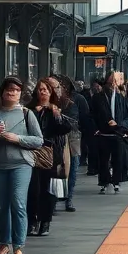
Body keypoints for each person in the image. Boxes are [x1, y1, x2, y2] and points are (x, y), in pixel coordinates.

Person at [0, 76, 44, 254]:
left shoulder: (27, 114)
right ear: (2, 91)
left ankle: (19, 246)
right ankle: (4, 244)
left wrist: (17, 139)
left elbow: (39, 140)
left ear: (21, 93)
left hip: (21, 164)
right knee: (1, 206)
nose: (12, 93)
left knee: (18, 202)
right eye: (9, 89)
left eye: (16, 90)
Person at [27, 79, 71, 237]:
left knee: (46, 189)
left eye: (46, 89)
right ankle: (32, 221)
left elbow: (65, 128)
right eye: (40, 89)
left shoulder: (54, 110)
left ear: (51, 93)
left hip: (48, 154)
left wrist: (57, 115)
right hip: (31, 152)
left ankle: (45, 221)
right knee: (32, 189)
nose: (42, 92)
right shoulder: (29, 110)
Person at [90, 71, 128, 193]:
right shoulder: (97, 98)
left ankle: (116, 181)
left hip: (118, 134)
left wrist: (119, 125)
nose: (112, 85)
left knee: (117, 159)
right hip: (103, 134)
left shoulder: (122, 99)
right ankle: (104, 181)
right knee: (103, 160)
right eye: (110, 82)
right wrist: (96, 129)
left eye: (114, 82)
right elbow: (91, 115)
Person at [57, 74, 87, 212]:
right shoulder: (52, 98)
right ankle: (55, 198)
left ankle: (69, 198)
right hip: (56, 135)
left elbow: (86, 115)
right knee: (56, 168)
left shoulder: (78, 99)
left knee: (73, 168)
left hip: (73, 135)